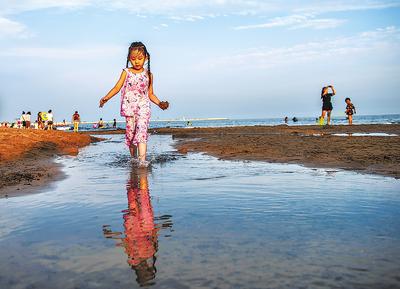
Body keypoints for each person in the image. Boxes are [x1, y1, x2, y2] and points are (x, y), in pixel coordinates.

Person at [99, 41, 169, 167]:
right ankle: (134, 159)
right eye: (133, 59)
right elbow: (117, 87)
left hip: (143, 108)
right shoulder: (126, 72)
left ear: (146, 58)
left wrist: (160, 103)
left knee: (142, 132)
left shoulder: (149, 75)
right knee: (131, 136)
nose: (137, 61)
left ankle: (142, 162)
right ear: (129, 59)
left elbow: (151, 94)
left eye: (140, 58)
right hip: (129, 110)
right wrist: (106, 98)